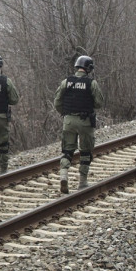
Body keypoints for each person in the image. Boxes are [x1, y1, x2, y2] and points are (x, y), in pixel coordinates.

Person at [53, 55, 105, 193]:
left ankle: (64, 175)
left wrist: (65, 113)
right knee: (85, 151)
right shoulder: (91, 83)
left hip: (68, 120)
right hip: (85, 121)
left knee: (67, 150)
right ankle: (83, 181)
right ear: (88, 68)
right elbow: (99, 102)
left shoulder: (66, 82)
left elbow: (57, 101)